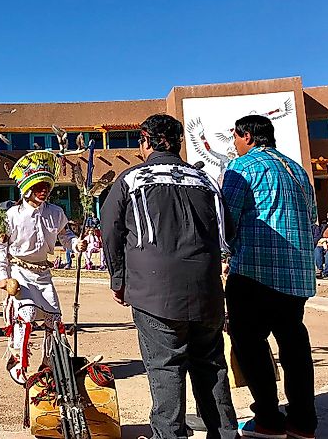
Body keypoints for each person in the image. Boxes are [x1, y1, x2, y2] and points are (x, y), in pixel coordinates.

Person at [101, 114, 237, 439]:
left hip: (154, 292)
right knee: (212, 368)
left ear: (146, 139)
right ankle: (227, 434)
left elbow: (110, 229)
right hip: (206, 293)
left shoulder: (131, 180)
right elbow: (227, 232)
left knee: (165, 369)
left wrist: (118, 279)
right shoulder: (205, 181)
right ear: (178, 143)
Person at [222, 115, 318, 439]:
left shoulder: (243, 167)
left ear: (247, 136)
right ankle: (304, 422)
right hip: (297, 276)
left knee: (248, 343)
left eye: (235, 136)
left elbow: (226, 221)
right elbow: (313, 220)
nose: (234, 142)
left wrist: (227, 251)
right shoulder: (299, 171)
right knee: (294, 344)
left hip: (255, 270)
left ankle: (268, 418)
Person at [0, 150, 87, 385]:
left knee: (54, 321)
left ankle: (48, 363)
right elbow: (0, 249)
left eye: (46, 186)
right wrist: (2, 277)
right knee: (27, 314)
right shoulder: (11, 215)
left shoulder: (56, 213)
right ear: (27, 189)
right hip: (19, 272)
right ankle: (18, 360)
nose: (43, 191)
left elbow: (66, 237)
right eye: (38, 187)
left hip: (43, 274)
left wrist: (77, 244)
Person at [313, 210, 328, 280]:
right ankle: (319, 270)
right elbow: (321, 237)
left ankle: (326, 273)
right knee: (317, 249)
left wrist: (327, 240)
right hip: (324, 244)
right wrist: (324, 243)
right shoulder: (326, 226)